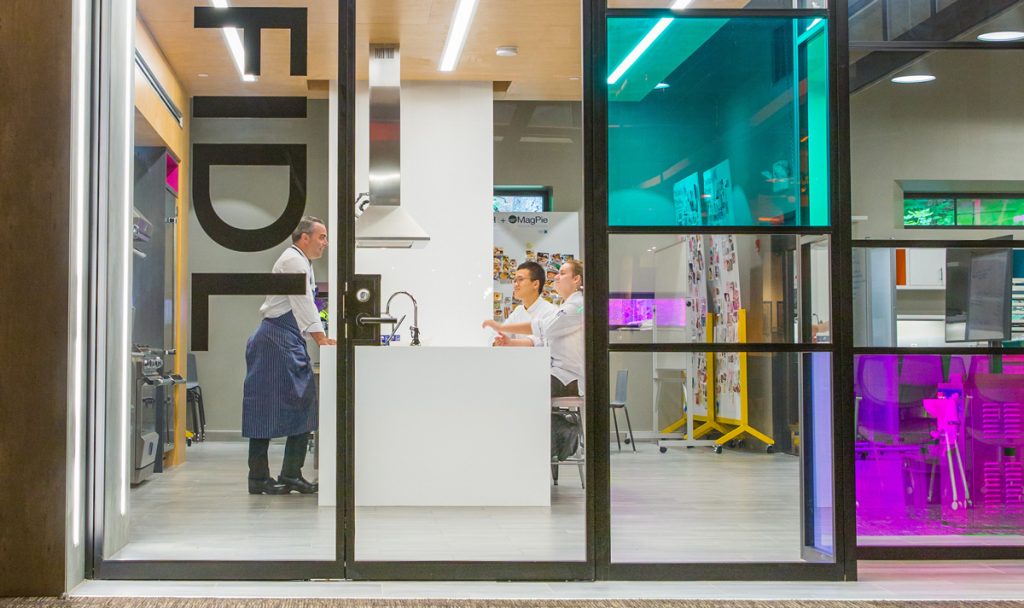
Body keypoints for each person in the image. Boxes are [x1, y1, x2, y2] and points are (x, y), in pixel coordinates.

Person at [242, 216, 336, 495]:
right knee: (264, 408)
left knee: (299, 404)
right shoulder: (293, 261)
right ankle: (262, 478)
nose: (325, 243)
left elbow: (307, 305)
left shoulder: (301, 261)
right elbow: (303, 303)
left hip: (286, 339)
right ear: (304, 237)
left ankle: (288, 473)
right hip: (275, 341)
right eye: (322, 237)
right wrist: (321, 339)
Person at [484, 259, 584, 398]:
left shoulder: (575, 306)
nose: (556, 277)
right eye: (514, 280)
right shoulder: (520, 311)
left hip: (567, 377)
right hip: (553, 372)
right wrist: (507, 341)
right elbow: (539, 340)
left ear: (576, 279)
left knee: (520, 388)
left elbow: (544, 329)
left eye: (562, 273)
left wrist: (502, 327)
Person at [495, 261, 557, 344]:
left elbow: (541, 342)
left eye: (520, 279)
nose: (515, 284)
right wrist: (497, 341)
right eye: (515, 280)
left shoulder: (551, 311)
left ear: (535, 284)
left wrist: (510, 342)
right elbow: (502, 331)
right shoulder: (518, 310)